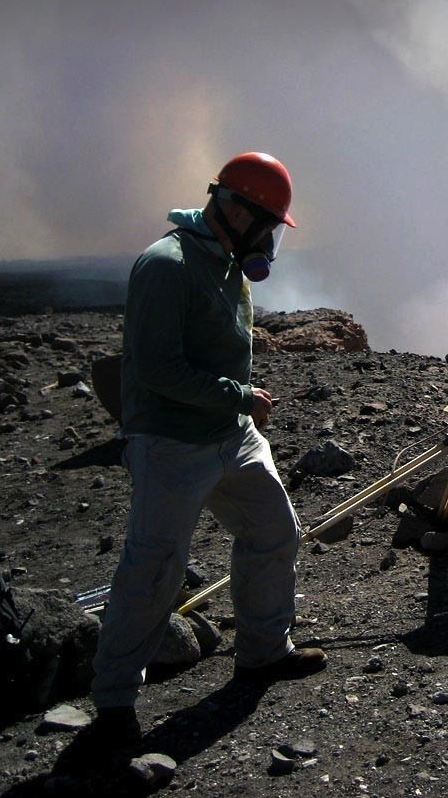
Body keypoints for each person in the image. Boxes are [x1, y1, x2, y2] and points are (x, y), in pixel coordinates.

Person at [89, 151, 325, 746]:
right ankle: (114, 700)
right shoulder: (166, 267)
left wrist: (235, 406)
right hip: (172, 444)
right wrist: (239, 395)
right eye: (267, 224)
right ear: (235, 210)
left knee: (274, 530)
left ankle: (264, 652)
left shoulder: (223, 262)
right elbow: (158, 369)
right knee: (154, 568)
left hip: (229, 436)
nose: (270, 239)